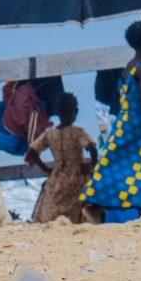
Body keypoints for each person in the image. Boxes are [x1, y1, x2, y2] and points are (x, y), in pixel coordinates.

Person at [81, 19, 141, 222]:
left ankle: (98, 204)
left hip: (124, 126)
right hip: (140, 128)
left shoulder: (128, 68)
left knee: (117, 166)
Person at [27, 93, 100, 224]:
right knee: (78, 205)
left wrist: (46, 169)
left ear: (57, 112)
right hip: (77, 175)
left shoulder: (50, 133)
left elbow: (32, 151)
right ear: (76, 112)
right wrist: (92, 166)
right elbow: (92, 148)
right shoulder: (78, 132)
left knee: (52, 205)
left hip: (57, 175)